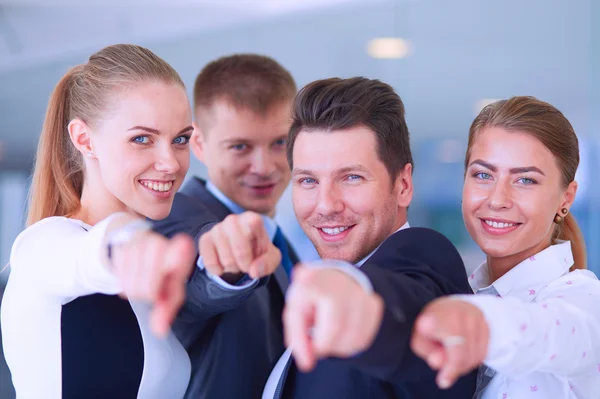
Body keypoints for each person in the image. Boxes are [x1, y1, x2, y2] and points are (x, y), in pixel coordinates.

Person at [197, 77, 477, 399]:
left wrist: (357, 293)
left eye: (351, 177)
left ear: (403, 185)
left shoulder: (425, 256)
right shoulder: (303, 285)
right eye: (307, 181)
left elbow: (408, 308)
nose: (326, 204)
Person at [0, 44, 212, 398]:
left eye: (179, 140)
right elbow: (87, 255)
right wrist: (127, 239)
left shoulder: (145, 273)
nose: (172, 163)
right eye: (142, 139)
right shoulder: (46, 243)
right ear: (84, 139)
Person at [411, 96, 600, 399]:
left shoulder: (586, 300)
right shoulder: (460, 291)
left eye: (525, 180)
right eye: (483, 175)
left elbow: (553, 332)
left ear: (566, 198)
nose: (498, 199)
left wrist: (474, 321)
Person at [152, 54, 300, 399]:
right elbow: (197, 277)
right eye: (240, 147)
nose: (264, 167)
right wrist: (223, 267)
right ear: (199, 145)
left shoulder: (279, 240)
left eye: (279, 142)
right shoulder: (175, 219)